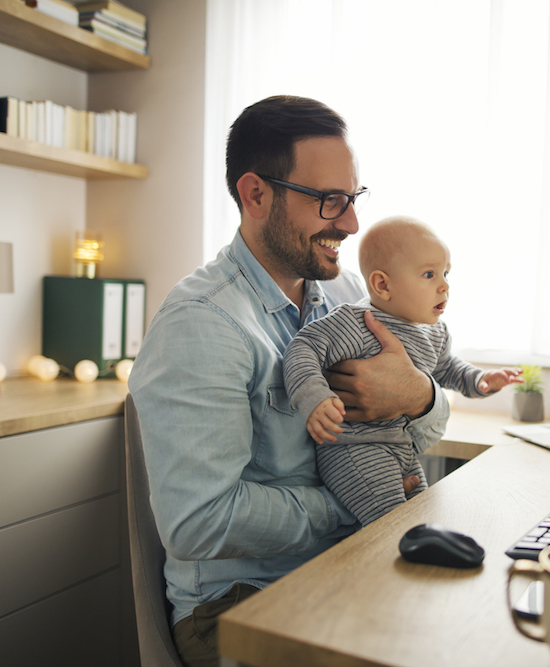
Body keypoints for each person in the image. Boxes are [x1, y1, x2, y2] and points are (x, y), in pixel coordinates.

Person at [127, 96, 450, 667]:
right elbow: (200, 524)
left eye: (353, 200)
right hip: (237, 605)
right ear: (255, 195)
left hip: (345, 565)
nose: (351, 224)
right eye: (330, 202)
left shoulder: (355, 298)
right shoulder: (202, 324)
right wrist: (353, 501)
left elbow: (422, 429)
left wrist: (419, 396)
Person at [283, 216, 522, 525]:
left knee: (424, 514)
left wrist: (480, 380)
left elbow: (448, 368)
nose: (445, 285)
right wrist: (313, 397)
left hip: (403, 449)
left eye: (446, 273)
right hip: (355, 450)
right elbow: (302, 348)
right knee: (395, 526)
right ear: (383, 285)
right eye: (429, 274)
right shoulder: (355, 322)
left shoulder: (435, 332)